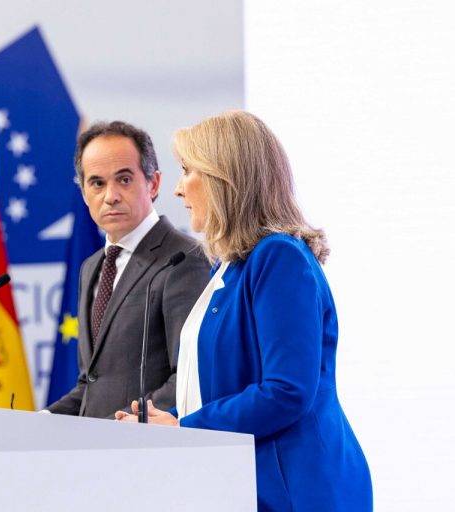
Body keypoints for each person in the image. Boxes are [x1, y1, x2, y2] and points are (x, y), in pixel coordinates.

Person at [115, 111, 373, 511]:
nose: (179, 190)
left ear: (225, 178)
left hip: (295, 489)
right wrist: (161, 420)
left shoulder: (279, 257)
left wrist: (184, 427)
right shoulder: (230, 267)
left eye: (187, 171)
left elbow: (286, 391)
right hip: (243, 483)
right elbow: (221, 389)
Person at [45, 121, 211, 418]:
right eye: (97, 183)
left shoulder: (183, 258)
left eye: (124, 179)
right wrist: (42, 421)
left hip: (147, 442)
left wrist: (116, 427)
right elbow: (92, 384)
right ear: (83, 193)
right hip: (98, 443)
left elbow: (187, 379)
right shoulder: (91, 267)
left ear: (153, 183)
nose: (111, 196)